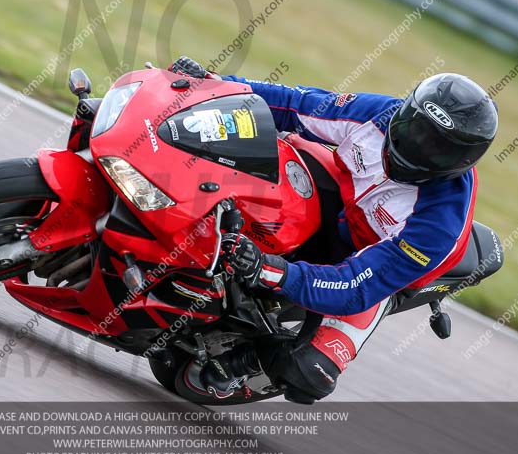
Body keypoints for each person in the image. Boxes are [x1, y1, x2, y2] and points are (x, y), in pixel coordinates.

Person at [169, 56, 499, 403]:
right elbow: (294, 105)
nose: (416, 145)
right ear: (405, 111)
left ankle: (251, 360)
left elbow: (354, 286)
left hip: (376, 270)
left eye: (437, 149)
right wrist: (212, 83)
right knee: (264, 146)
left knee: (309, 372)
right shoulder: (379, 115)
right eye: (414, 129)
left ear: (462, 163)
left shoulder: (438, 225)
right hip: (344, 202)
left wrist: (269, 270)